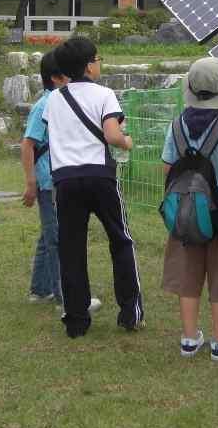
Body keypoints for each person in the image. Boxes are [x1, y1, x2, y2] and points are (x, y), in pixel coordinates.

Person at [42, 37, 141, 338]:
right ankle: (129, 313)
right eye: (98, 59)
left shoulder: (54, 98)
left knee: (72, 248)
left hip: (66, 180)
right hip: (100, 177)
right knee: (120, 240)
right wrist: (127, 141)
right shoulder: (105, 94)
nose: (100, 64)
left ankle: (76, 319)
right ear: (87, 65)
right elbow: (112, 135)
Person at [161, 57, 218, 361]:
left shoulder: (176, 126)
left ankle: (188, 338)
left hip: (185, 213)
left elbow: (167, 167)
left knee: (189, 274)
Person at [22, 49, 101, 313]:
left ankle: (40, 289)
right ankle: (66, 296)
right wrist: (31, 182)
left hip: (55, 179)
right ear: (56, 78)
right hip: (48, 182)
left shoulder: (57, 101)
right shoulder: (46, 104)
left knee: (49, 235)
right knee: (59, 238)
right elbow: (28, 144)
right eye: (69, 74)